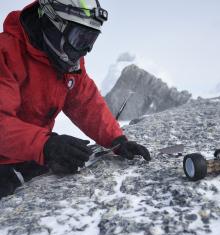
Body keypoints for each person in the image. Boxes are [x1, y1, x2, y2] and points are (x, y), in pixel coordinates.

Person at [0, 0, 151, 199]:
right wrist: (47, 146)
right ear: (51, 22)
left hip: (28, 152)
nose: (84, 50)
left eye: (90, 40)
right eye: (79, 38)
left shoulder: (64, 61)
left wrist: (117, 140)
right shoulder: (6, 53)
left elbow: (86, 101)